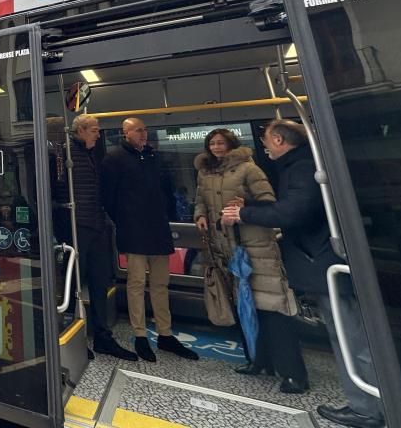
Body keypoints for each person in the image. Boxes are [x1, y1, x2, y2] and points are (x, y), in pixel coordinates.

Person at [223, 120, 384, 428]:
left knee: (351, 337)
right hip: (324, 260)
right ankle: (368, 402)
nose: (266, 146)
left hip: (322, 260)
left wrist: (244, 213)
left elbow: (292, 212)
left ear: (280, 140)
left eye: (268, 140)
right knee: (350, 334)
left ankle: (369, 406)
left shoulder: (299, 168)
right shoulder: (304, 165)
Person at [193, 128, 307, 393]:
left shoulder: (249, 169)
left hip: (254, 246)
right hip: (225, 248)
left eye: (221, 142)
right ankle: (257, 360)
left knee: (271, 310)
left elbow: (270, 204)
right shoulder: (205, 172)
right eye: (212, 143)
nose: (216, 147)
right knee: (243, 308)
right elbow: (200, 200)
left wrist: (243, 209)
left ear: (231, 144)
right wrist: (200, 215)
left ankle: (293, 373)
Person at [102, 117, 198, 362]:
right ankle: (140, 334)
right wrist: (124, 218)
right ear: (126, 133)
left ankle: (165, 333)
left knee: (160, 284)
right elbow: (108, 196)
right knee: (135, 285)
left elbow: (164, 190)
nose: (144, 134)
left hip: (157, 229)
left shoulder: (154, 157)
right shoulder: (114, 159)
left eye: (145, 130)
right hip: (133, 229)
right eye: (138, 130)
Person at [57, 114, 138, 361]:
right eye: (93, 130)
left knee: (100, 282)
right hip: (78, 226)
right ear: (81, 130)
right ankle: (70, 335)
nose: (98, 134)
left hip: (97, 226)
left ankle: (103, 336)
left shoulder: (93, 153)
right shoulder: (65, 155)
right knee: (72, 284)